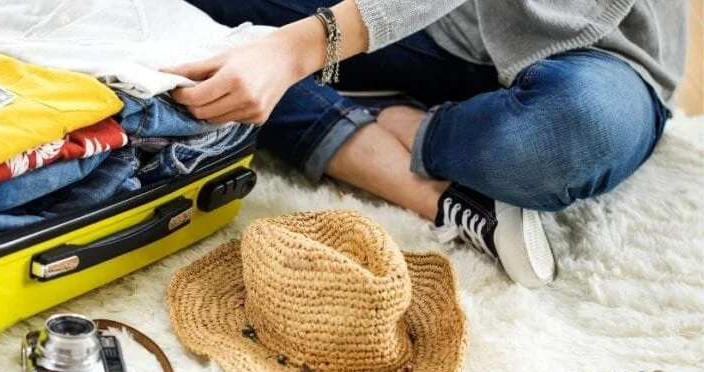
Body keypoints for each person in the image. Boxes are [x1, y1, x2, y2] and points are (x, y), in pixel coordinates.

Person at [167, 1, 686, 288]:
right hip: (432, 26)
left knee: (568, 133)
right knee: (175, 24)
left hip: (603, 58)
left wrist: (296, 49)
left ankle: (406, 120)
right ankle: (435, 192)